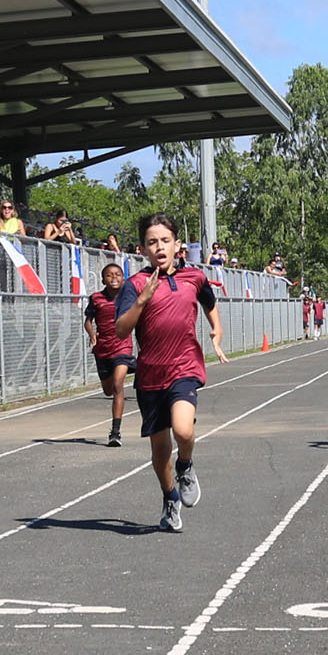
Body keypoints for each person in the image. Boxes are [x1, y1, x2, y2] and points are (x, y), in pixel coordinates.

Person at [114, 212, 228, 533]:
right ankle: (169, 497)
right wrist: (142, 301)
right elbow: (122, 330)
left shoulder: (194, 277)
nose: (159, 247)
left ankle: (186, 465)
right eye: (152, 242)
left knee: (184, 431)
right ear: (142, 249)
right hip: (150, 376)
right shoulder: (135, 284)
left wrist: (216, 331)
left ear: (178, 245)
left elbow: (209, 302)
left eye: (165, 241)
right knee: (159, 450)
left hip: (184, 366)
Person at [85, 263, 137, 447]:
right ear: (103, 279)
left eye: (117, 274)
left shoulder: (129, 298)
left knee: (117, 385)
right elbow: (88, 321)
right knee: (108, 390)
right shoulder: (96, 298)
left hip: (122, 346)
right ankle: (137, 367)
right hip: (103, 349)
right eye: (109, 275)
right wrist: (92, 335)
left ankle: (115, 432)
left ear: (123, 278)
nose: (113, 277)